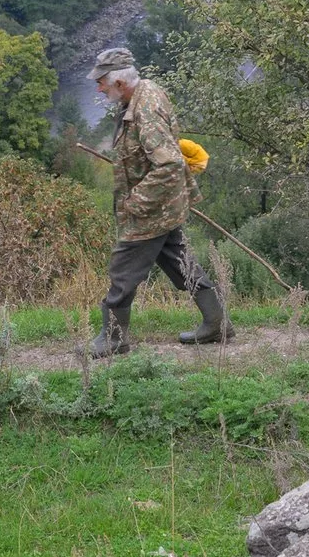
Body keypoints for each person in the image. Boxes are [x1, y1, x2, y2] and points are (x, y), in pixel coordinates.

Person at [87, 46, 231, 356]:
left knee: (123, 269)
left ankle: (114, 337)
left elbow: (169, 164)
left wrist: (135, 202)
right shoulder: (145, 90)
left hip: (151, 209)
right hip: (166, 204)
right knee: (178, 262)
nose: (98, 88)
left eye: (101, 82)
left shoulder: (144, 111)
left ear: (120, 83)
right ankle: (216, 322)